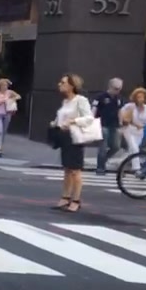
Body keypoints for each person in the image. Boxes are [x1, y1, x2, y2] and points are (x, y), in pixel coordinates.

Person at [50, 74, 93, 213]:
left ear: (72, 85)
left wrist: (73, 121)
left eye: (63, 82)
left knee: (75, 170)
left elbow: (89, 118)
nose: (59, 84)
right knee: (67, 169)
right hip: (64, 137)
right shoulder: (66, 101)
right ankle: (65, 197)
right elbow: (61, 117)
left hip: (75, 136)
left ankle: (76, 200)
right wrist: (55, 123)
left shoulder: (80, 100)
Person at [92, 77, 123, 175]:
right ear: (110, 86)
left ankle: (103, 160)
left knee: (116, 146)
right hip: (102, 124)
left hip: (114, 124)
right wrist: (92, 120)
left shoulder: (118, 98)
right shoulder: (100, 97)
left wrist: (121, 122)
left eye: (119, 89)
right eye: (116, 88)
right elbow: (94, 109)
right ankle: (100, 168)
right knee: (103, 146)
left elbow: (119, 110)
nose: (117, 91)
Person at [0, 78, 20, 157]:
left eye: (6, 85)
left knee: (4, 132)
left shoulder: (9, 92)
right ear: (0, 86)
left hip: (7, 114)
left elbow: (18, 96)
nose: (5, 87)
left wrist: (11, 99)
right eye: (3, 85)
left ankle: (1, 146)